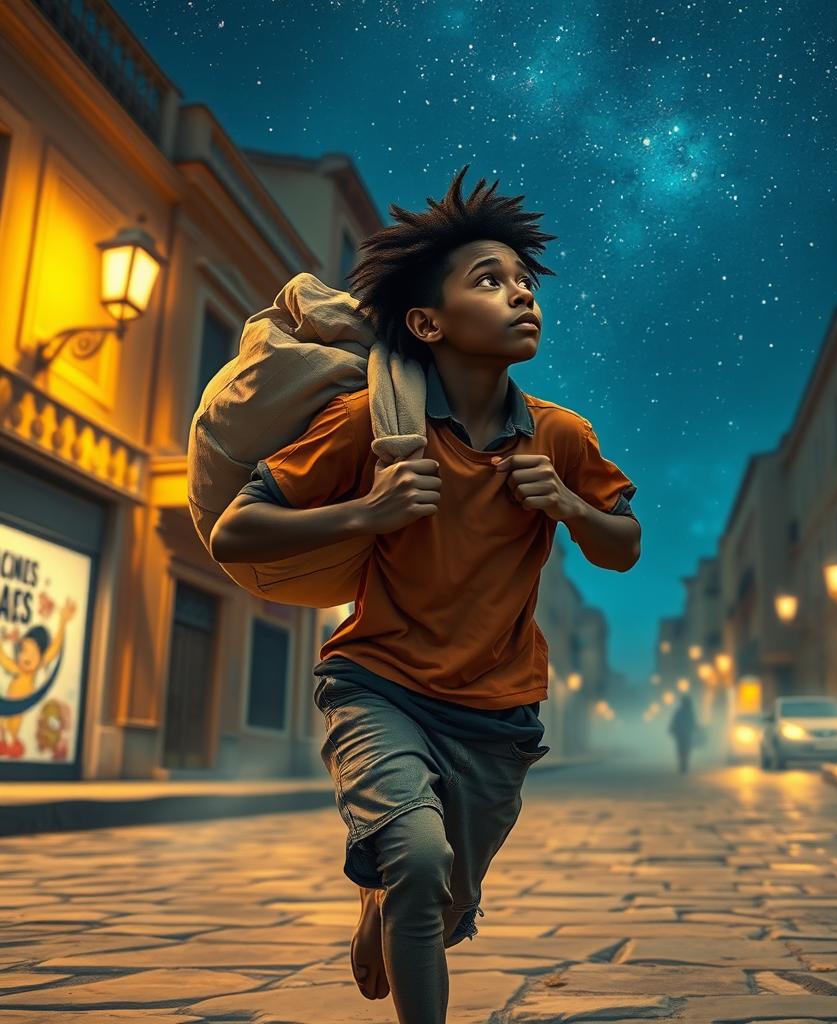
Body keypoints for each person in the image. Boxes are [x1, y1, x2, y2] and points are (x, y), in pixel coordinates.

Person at [210, 166, 640, 1024]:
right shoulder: (370, 421)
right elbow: (234, 531)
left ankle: (390, 902)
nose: (522, 296)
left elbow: (625, 548)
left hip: (497, 713)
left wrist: (566, 505)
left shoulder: (561, 434)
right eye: (490, 280)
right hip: (379, 684)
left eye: (526, 283)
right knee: (414, 856)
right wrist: (365, 512)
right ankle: (396, 884)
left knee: (439, 900)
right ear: (426, 321)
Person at [668, 683, 697, 773]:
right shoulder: (689, 712)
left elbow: (674, 722)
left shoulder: (680, 712)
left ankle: (683, 764)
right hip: (685, 733)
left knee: (682, 749)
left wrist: (673, 729)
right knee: (685, 749)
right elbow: (692, 722)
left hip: (681, 734)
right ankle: (684, 764)